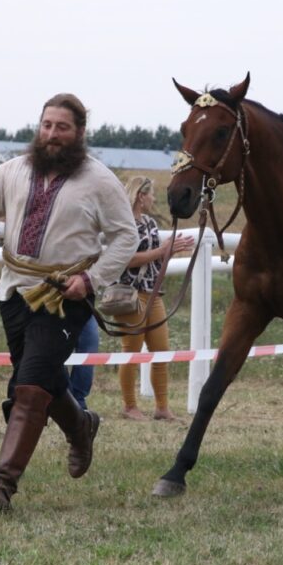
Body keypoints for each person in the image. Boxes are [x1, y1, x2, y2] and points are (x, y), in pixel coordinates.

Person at [0, 93, 138, 514]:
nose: (52, 135)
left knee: (29, 386)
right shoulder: (12, 170)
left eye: (61, 127)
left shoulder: (99, 179)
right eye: (46, 125)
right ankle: (81, 427)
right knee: (41, 380)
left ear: (79, 132)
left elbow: (125, 237)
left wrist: (90, 280)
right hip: (14, 290)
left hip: (66, 295)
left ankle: (2, 485)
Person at [113, 176, 195, 421]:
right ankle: (129, 406)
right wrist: (161, 251)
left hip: (153, 293)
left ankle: (162, 407)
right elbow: (126, 260)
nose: (154, 199)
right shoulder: (123, 224)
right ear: (141, 196)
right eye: (151, 195)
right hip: (131, 294)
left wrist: (169, 252)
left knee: (161, 351)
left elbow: (153, 259)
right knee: (132, 351)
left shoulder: (149, 223)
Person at [69, 318, 99, 410]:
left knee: (90, 347)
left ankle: (78, 401)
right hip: (53, 308)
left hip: (84, 307)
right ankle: (63, 399)